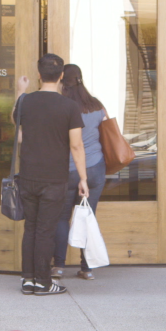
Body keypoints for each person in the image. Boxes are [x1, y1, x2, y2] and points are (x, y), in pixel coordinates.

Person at [14, 54, 88, 297]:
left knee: (31, 228)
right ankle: (44, 283)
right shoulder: (69, 106)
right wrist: (83, 179)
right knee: (45, 230)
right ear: (61, 77)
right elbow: (76, 146)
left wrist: (20, 91)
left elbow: (18, 131)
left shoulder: (25, 101)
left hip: (28, 176)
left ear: (38, 75)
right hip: (54, 178)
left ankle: (28, 280)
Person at [52, 64, 108, 281]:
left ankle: (58, 266)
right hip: (95, 168)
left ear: (61, 81)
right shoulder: (97, 106)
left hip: (69, 169)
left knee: (61, 218)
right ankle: (87, 268)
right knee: (87, 216)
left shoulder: (62, 107)